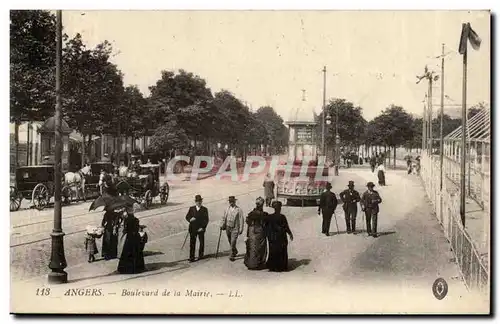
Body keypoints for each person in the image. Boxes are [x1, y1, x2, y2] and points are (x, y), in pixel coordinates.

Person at [117, 204, 145, 274]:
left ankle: (126, 268)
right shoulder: (136, 220)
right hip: (135, 237)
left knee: (127, 252)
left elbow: (125, 230)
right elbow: (137, 228)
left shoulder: (126, 220)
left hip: (129, 238)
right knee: (136, 252)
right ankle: (137, 267)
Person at [266, 200, 293, 272]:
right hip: (281, 237)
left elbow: (267, 227)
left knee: (273, 251)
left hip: (273, 238)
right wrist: (290, 234)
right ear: (280, 208)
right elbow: (286, 227)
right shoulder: (282, 217)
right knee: (282, 251)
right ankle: (281, 267)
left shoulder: (270, 217)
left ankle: (273, 266)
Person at [244, 197, 268, 270]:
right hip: (260, 232)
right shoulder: (263, 214)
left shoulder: (251, 213)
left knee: (252, 248)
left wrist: (247, 235)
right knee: (260, 248)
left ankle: (251, 264)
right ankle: (258, 264)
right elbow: (265, 224)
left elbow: (248, 224)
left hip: (252, 233)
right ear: (262, 205)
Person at [185, 195, 209, 262]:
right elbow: (187, 216)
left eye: (200, 201)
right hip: (192, 228)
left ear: (201, 201)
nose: (199, 202)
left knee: (201, 242)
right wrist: (190, 219)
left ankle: (201, 255)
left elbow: (206, 220)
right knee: (192, 243)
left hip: (200, 228)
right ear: (195, 202)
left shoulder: (204, 209)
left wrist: (203, 227)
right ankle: (191, 257)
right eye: (197, 201)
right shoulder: (191, 208)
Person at [220, 196, 244, 261]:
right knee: (230, 240)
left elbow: (241, 219)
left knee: (233, 241)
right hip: (228, 227)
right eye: (230, 202)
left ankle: (231, 255)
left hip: (235, 228)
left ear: (235, 201)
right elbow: (224, 217)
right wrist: (221, 225)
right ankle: (234, 250)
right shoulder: (227, 209)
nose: (231, 203)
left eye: (232, 201)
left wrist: (241, 228)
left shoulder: (239, 209)